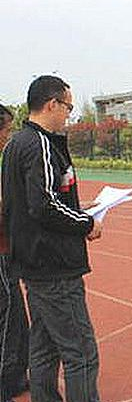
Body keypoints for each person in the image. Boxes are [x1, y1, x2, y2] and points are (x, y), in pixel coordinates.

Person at [2, 76, 103, 401]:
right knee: (81, 352)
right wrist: (86, 223)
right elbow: (43, 205)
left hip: (33, 261)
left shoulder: (16, 144)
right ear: (51, 104)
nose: (69, 115)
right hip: (54, 264)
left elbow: (31, 200)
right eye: (68, 108)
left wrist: (76, 208)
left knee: (44, 347)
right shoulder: (40, 144)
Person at [0, 105, 29, 402]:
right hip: (1, 251)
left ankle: (17, 374)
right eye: (6, 131)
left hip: (9, 250)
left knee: (17, 316)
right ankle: (5, 380)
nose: (8, 137)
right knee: (8, 314)